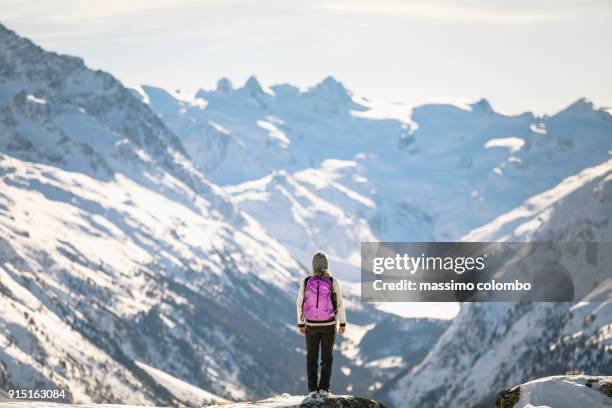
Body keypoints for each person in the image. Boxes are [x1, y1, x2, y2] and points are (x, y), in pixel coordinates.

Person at [296, 251, 347, 398]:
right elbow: (340, 304)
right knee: (327, 357)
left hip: (311, 324)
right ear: (326, 265)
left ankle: (312, 389)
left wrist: (301, 323)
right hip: (328, 324)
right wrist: (342, 323)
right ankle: (324, 389)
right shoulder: (332, 281)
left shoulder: (306, 281)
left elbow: (299, 304)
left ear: (313, 266)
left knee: (311, 357)